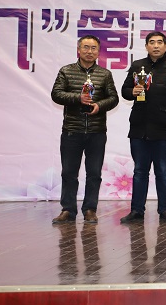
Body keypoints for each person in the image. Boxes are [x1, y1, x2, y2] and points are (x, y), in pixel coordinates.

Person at [119, 32, 166, 224]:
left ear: (165, 46)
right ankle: (136, 211)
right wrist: (132, 91)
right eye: (152, 42)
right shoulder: (137, 66)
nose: (156, 46)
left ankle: (165, 211)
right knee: (139, 171)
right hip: (139, 126)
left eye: (159, 42)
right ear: (146, 46)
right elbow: (124, 91)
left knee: (163, 170)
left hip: (164, 126)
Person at [51, 35, 119, 224]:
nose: (90, 51)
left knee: (94, 173)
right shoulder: (66, 71)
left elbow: (113, 98)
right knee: (69, 173)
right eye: (86, 47)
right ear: (79, 50)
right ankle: (68, 210)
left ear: (98, 51)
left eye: (94, 48)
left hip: (97, 131)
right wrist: (78, 98)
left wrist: (99, 105)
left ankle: (90, 209)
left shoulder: (104, 74)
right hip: (72, 130)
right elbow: (56, 94)